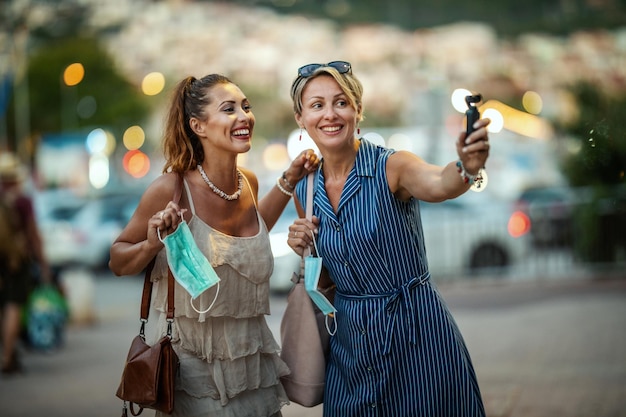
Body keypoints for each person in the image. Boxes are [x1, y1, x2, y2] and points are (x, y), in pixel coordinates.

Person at [285, 61, 490, 416]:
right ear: (301, 118)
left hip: (416, 336)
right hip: (350, 348)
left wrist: (467, 167)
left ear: (357, 110)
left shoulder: (391, 166)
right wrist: (304, 250)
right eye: (317, 105)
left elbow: (440, 183)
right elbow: (329, 279)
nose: (330, 114)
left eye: (341, 102)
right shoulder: (305, 187)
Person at [109, 73, 318, 417]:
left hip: (253, 375)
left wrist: (290, 178)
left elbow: (250, 233)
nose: (244, 116)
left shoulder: (247, 183)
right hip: (195, 381)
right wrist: (151, 243)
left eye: (246, 107)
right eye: (229, 109)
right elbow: (118, 261)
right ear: (199, 126)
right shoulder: (171, 189)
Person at [0, 152, 52, 375]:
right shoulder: (22, 201)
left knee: (4, 306)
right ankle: (8, 357)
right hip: (15, 261)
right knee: (13, 305)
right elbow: (33, 234)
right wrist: (43, 264)